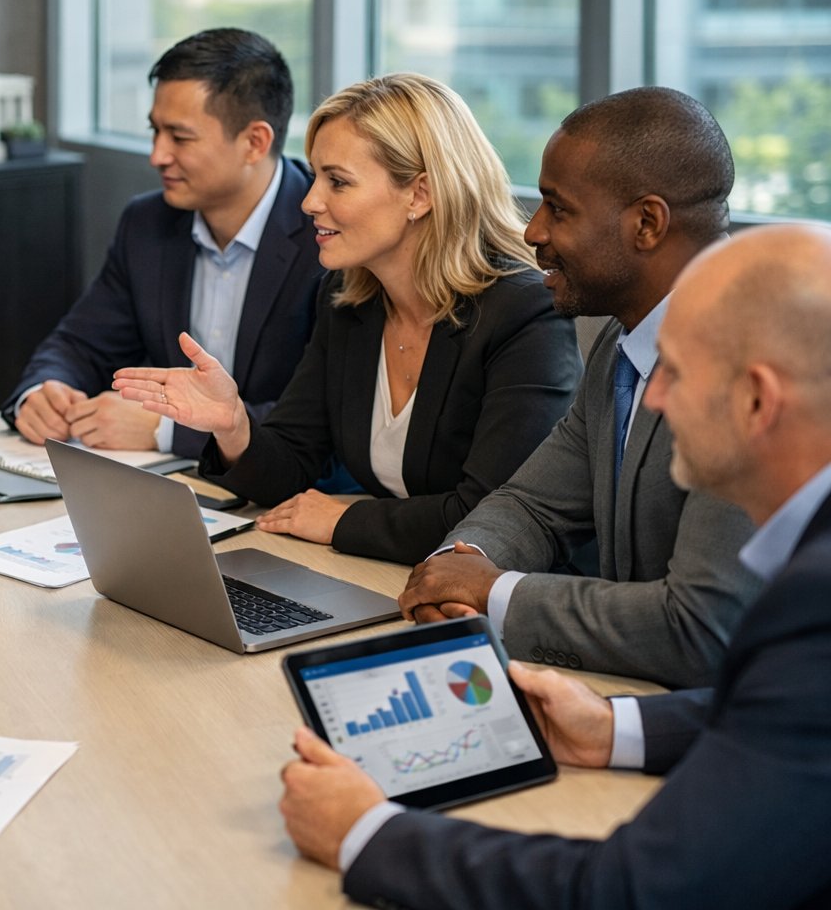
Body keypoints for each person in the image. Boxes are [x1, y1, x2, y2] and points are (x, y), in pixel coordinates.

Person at [279, 223, 831, 909]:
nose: (653, 399)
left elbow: (633, 889)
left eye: (677, 374)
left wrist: (367, 833)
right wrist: (615, 727)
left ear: (757, 400)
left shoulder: (813, 601)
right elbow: (796, 718)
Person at [113, 73, 581, 564]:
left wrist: (341, 520)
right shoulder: (348, 299)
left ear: (419, 194)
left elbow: (491, 517)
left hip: (499, 606)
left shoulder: (524, 314)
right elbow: (292, 464)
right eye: (315, 176)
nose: (310, 201)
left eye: (337, 181)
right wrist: (233, 425)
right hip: (387, 572)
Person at [396, 86, 760, 687]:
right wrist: (459, 568)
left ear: (647, 223)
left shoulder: (753, 371)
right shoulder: (622, 346)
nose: (533, 231)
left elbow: (698, 627)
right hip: (622, 691)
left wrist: (498, 595)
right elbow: (532, 505)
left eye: (557, 209)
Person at [0, 28, 326, 459]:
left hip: (286, 495)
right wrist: (43, 392)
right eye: (155, 132)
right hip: (169, 488)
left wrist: (168, 429)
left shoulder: (325, 237)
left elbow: (322, 421)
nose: (157, 155)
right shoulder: (147, 223)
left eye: (180, 137)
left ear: (255, 142)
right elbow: (80, 344)